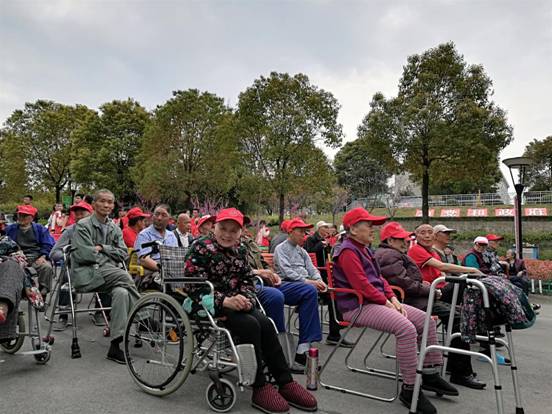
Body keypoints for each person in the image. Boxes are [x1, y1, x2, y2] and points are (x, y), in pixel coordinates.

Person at [184, 208, 317, 414]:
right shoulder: (200, 247)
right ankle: (259, 385)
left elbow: (247, 280)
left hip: (237, 303)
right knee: (250, 325)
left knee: (265, 322)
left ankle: (285, 381)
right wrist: (225, 300)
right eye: (223, 228)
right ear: (215, 227)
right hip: (205, 303)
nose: (227, 234)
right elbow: (193, 285)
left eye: (233, 230)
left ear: (240, 232)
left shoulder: (240, 249)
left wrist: (246, 299)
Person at [333, 208, 457, 414]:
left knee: (426, 320)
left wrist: (391, 298)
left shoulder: (365, 249)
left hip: (375, 301)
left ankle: (429, 373)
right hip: (357, 306)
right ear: (353, 229)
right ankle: (410, 388)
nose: (373, 229)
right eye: (369, 225)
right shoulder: (347, 251)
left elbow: (380, 278)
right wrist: (387, 302)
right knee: (406, 328)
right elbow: (362, 284)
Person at [375, 222, 485, 390]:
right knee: (459, 313)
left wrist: (426, 286)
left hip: (420, 295)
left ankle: (455, 362)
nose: (405, 241)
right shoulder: (393, 255)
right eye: (401, 239)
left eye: (406, 238)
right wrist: (430, 289)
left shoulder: (398, 253)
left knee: (461, 305)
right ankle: (459, 370)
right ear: (390, 241)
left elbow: (408, 280)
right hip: (413, 299)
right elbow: (403, 283)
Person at [70, 189, 141, 364]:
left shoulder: (114, 227)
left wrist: (103, 248)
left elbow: (123, 253)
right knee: (124, 276)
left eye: (110, 202)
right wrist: (109, 255)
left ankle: (115, 345)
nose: (106, 205)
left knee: (121, 293)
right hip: (87, 275)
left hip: (108, 275)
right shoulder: (83, 225)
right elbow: (83, 254)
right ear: (94, 204)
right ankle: (144, 315)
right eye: (102, 201)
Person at [273, 218, 325, 365]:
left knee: (314, 292)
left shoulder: (302, 251)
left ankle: (304, 347)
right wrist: (309, 282)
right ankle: (304, 346)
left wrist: (319, 280)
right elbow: (286, 271)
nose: (304, 235)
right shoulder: (280, 249)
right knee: (310, 291)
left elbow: (312, 269)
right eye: (300, 231)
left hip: (302, 287)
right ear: (290, 232)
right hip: (284, 285)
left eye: (305, 232)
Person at [50, 201, 107, 331]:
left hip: (97, 265)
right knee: (66, 276)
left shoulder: (100, 230)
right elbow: (54, 253)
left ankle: (100, 312)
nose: (79, 216)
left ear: (91, 214)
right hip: (75, 267)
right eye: (77, 213)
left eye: (83, 213)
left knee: (108, 274)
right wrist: (70, 256)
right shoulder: (70, 231)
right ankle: (63, 315)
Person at [305, 220, 353, 347]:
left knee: (337, 291)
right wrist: (320, 245)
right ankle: (334, 333)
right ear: (319, 228)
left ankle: (336, 330)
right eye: (325, 227)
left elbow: (328, 256)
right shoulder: (311, 239)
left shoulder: (325, 240)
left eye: (328, 227)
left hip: (322, 274)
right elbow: (310, 253)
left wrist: (326, 246)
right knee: (334, 294)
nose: (327, 229)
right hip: (315, 275)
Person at [6, 205, 55, 299]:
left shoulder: (40, 229)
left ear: (31, 218)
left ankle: (42, 292)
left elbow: (47, 244)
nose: (21, 217)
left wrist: (43, 256)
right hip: (16, 258)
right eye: (20, 215)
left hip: (36, 257)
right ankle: (15, 294)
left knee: (46, 267)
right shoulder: (10, 229)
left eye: (25, 215)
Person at [134, 204, 179, 291]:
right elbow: (144, 259)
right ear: (152, 216)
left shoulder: (171, 236)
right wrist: (163, 268)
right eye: (156, 214)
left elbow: (175, 257)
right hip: (151, 271)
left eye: (163, 215)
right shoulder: (144, 235)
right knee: (164, 280)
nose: (159, 218)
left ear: (169, 219)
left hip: (170, 269)